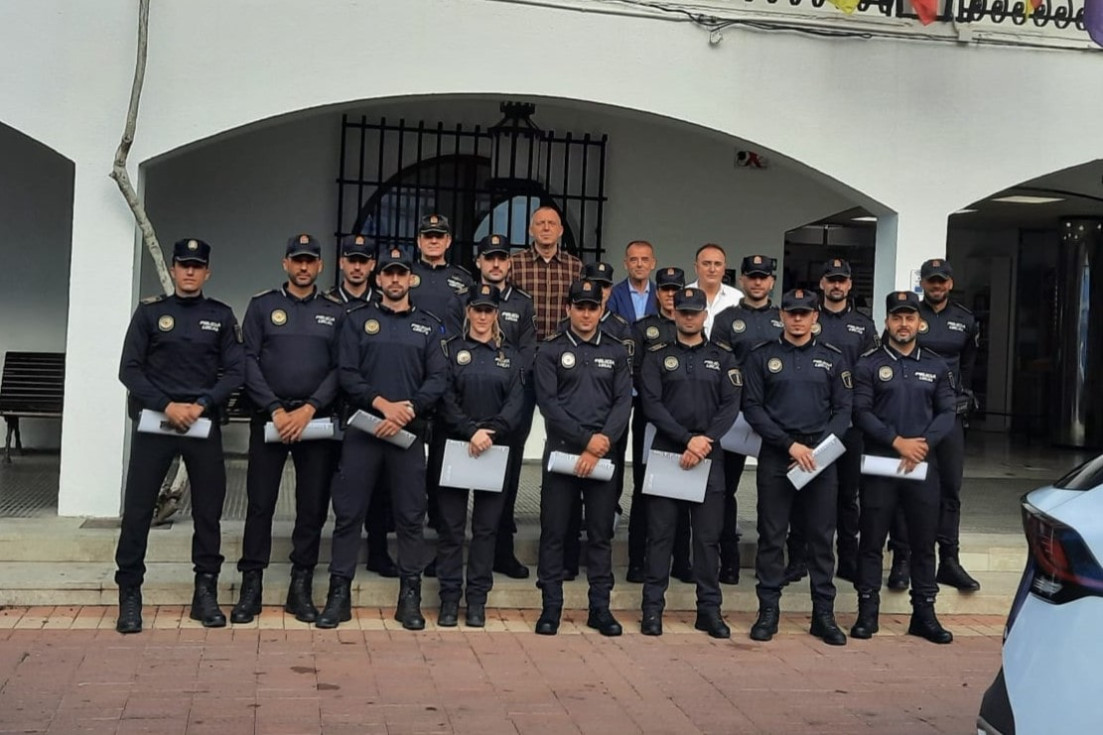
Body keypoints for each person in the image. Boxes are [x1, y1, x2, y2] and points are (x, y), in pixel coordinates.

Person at [114, 238, 244, 634]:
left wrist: (201, 403)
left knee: (208, 513)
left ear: (207, 271)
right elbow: (129, 370)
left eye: (197, 266)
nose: (190, 272)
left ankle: (204, 592)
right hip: (157, 422)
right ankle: (130, 594)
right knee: (138, 512)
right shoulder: (151, 312)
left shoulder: (220, 316)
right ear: (172, 269)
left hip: (201, 425)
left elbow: (236, 372)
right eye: (183, 265)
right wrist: (168, 405)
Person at [316, 247, 449, 630]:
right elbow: (347, 372)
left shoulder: (427, 325)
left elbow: (437, 378)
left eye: (401, 274)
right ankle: (338, 595)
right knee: (348, 515)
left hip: (407, 433)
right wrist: (381, 405)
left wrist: (406, 410)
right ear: (378, 279)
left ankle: (409, 598)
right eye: (388, 274)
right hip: (363, 430)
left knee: (410, 516)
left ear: (410, 279)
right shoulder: (358, 321)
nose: (394, 280)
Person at [229, 234, 344, 625]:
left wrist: (310, 408)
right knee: (260, 504)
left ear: (320, 266)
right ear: (285, 264)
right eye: (297, 260)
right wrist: (276, 409)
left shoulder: (335, 310)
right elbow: (247, 360)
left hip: (315, 421)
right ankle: (251, 586)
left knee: (311, 508)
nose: (304, 267)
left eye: (310, 260)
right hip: (271, 419)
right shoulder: (263, 306)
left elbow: (340, 368)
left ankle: (301, 586)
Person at [742, 288, 852, 646]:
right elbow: (753, 408)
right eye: (792, 313)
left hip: (820, 457)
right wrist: (789, 444)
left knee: (821, 538)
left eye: (805, 313)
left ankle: (823, 615)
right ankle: (768, 611)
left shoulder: (833, 359)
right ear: (781, 316)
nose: (798, 319)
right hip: (778, 454)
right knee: (772, 537)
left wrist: (816, 449)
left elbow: (844, 410)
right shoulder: (763, 357)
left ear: (815, 317)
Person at [851, 291, 956, 644]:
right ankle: (867, 614)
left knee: (924, 543)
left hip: (922, 464)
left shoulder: (936, 366)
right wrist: (898, 442)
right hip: (882, 463)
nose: (903, 324)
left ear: (919, 323)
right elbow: (861, 412)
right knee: (871, 542)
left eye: (909, 318)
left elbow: (947, 412)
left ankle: (924, 615)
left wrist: (921, 444)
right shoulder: (868, 364)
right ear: (887, 322)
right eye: (897, 317)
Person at [638, 287, 741, 638]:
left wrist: (704, 441)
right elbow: (651, 404)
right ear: (675, 314)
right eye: (682, 312)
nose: (688, 317)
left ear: (704, 316)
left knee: (707, 539)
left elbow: (730, 405)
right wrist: (686, 439)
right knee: (661, 536)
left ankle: (709, 611)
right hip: (669, 450)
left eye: (694, 312)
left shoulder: (723, 357)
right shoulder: (656, 355)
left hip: (709, 454)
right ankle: (652, 610)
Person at [532, 280, 632, 636]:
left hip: (604, 454)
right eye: (580, 306)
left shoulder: (618, 352)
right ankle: (551, 608)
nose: (587, 313)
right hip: (563, 453)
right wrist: (587, 441)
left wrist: (602, 440)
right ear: (568, 309)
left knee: (601, 534)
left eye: (593, 307)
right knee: (555, 532)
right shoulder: (549, 351)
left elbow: (623, 402)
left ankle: (600, 608)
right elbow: (549, 405)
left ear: (601, 310)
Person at [888, 259, 982, 592]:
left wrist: (965, 396)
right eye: (931, 281)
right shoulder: (911, 315)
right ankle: (901, 559)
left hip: (950, 415)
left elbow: (969, 364)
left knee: (950, 489)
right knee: (905, 484)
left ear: (950, 283)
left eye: (942, 281)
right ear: (923, 283)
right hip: (914, 413)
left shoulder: (965, 319)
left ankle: (950, 559)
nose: (937, 286)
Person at [435, 285, 525, 627]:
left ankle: (476, 600)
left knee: (486, 530)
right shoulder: (451, 351)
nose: (483, 316)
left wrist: (493, 431)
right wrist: (469, 430)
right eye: (477, 309)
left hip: (494, 449)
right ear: (468, 312)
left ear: (496, 313)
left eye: (489, 310)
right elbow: (444, 396)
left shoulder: (511, 356)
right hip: (458, 447)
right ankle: (447, 599)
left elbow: (516, 401)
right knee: (452, 528)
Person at [800, 258, 878, 582]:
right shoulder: (809, 318)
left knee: (848, 495)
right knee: (809, 490)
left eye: (842, 280)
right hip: (815, 422)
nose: (836, 285)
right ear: (822, 283)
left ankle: (847, 559)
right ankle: (803, 558)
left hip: (850, 424)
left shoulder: (863, 325)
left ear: (849, 285)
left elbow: (871, 371)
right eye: (831, 279)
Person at [557, 261, 636, 580]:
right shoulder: (560, 337)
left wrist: (604, 438)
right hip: (569, 437)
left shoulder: (620, 329)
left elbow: (623, 395)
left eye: (604, 286)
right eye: (592, 285)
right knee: (565, 511)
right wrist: (583, 439)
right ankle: (567, 562)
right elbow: (552, 399)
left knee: (602, 513)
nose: (598, 292)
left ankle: (599, 587)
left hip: (607, 438)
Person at [709, 255, 783, 585]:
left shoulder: (785, 318)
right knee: (725, 490)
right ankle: (729, 560)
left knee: (775, 492)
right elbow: (719, 366)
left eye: (763, 277)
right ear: (741, 280)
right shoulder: (727, 319)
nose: (757, 282)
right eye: (751, 276)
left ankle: (775, 562)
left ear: (772, 282)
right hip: (736, 416)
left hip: (776, 417)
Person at [326, 235, 397, 578]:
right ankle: (337, 556)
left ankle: (379, 552)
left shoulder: (384, 305)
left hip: (373, 412)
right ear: (342, 263)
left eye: (363, 260)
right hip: (330, 408)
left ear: (373, 267)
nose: (356, 266)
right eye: (351, 259)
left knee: (380, 489)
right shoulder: (325, 303)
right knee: (337, 489)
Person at [473, 234, 537, 580]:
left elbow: (527, 356)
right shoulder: (466, 300)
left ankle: (502, 551)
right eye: (489, 258)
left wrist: (510, 400)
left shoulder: (522, 304)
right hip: (469, 407)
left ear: (509, 264)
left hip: (511, 408)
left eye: (501, 258)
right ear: (479, 262)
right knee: (456, 482)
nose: (496, 264)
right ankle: (451, 551)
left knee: (507, 481)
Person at [627, 267, 688, 584]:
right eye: (664, 289)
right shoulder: (643, 329)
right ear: (657, 292)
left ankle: (681, 561)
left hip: (686, 422)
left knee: (684, 491)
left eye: (675, 289)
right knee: (645, 488)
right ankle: (637, 560)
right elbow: (637, 372)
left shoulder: (690, 327)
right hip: (650, 418)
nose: (669, 295)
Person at [508, 206, 583, 342]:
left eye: (552, 223)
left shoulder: (575, 266)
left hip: (563, 348)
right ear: (530, 230)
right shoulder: (514, 264)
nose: (546, 228)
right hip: (523, 345)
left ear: (560, 231)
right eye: (540, 223)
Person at [411, 213, 473, 335]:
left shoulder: (464, 278)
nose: (434, 241)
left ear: (448, 241)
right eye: (428, 236)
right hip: (413, 346)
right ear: (419, 241)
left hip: (450, 346)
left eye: (439, 236)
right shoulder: (406, 273)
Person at [687, 243, 743, 338]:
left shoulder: (737, 298)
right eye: (706, 264)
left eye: (717, 264)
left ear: (724, 269)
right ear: (696, 268)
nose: (712, 269)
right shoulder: (683, 295)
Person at [607, 240, 658, 323]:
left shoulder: (659, 294)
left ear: (653, 264)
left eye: (645, 260)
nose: (639, 264)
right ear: (625, 264)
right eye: (633, 260)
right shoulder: (614, 294)